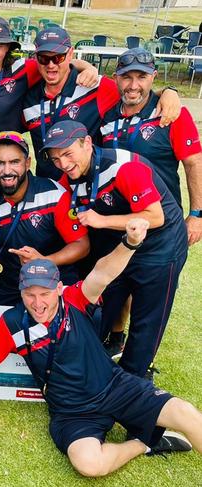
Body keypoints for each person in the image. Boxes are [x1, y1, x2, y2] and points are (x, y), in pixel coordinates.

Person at [0, 218, 201, 478]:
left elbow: (103, 272)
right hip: (72, 412)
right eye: (29, 294)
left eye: (45, 293)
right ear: (20, 291)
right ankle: (144, 443)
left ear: (58, 287)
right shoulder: (12, 323)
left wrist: (130, 243)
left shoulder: (75, 299)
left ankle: (147, 430)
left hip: (115, 387)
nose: (37, 303)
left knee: (187, 414)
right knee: (90, 465)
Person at [46, 120, 188, 379]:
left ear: (87, 144)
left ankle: (135, 379)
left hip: (160, 245)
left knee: (147, 319)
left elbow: (155, 217)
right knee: (104, 300)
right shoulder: (73, 175)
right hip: (122, 243)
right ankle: (90, 360)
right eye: (55, 159)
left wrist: (102, 221)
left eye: (68, 154)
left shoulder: (124, 167)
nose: (63, 164)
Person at [99, 48, 202, 357]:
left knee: (149, 299)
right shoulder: (108, 117)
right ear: (116, 78)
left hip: (160, 225)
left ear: (153, 78)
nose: (133, 85)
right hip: (120, 222)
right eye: (126, 77)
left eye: (141, 77)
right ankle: (115, 339)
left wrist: (196, 214)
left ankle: (138, 366)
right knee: (114, 285)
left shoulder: (171, 114)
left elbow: (193, 164)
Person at [0, 17, 98, 188]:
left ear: (8, 48)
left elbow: (56, 61)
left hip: (5, 162)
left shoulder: (23, 70)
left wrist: (88, 67)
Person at [22, 27, 180, 181]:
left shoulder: (96, 87)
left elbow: (134, 91)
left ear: (70, 54)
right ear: (35, 57)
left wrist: (168, 91)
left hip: (87, 189)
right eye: (44, 58)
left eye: (58, 58)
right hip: (48, 191)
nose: (51, 64)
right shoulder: (29, 98)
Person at [0, 131, 89, 306]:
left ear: (27, 163)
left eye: (14, 162)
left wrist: (45, 261)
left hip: (52, 281)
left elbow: (82, 245)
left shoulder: (54, 194)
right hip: (7, 285)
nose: (7, 170)